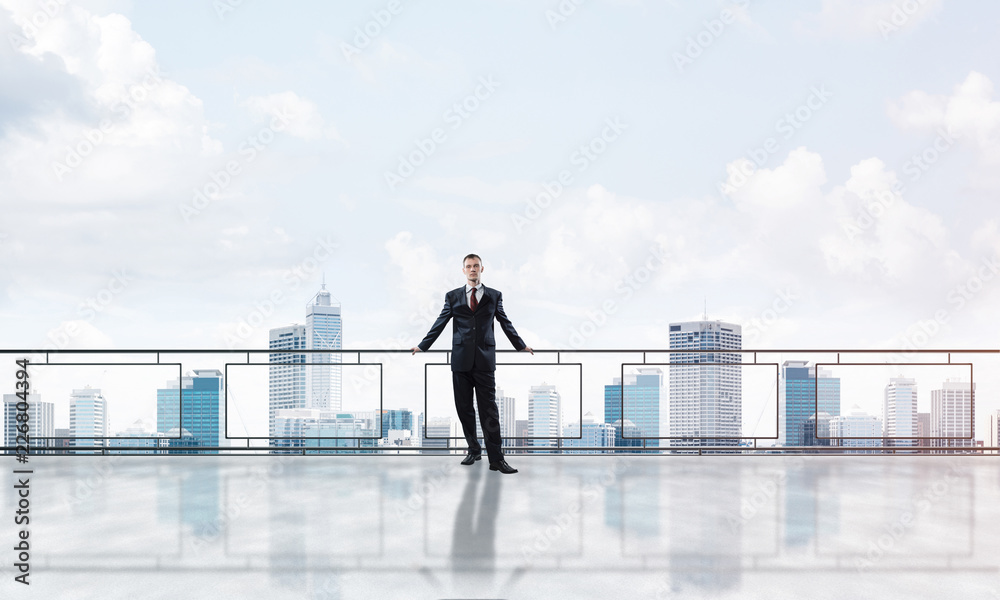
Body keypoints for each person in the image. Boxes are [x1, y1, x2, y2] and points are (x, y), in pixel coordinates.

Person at [412, 253, 532, 474]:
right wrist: (423, 346)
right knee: (464, 408)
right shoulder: (453, 296)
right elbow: (440, 322)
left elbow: (505, 322)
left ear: (482, 269)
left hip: (485, 361)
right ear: (464, 270)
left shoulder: (494, 296)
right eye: (469, 266)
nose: (472, 269)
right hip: (460, 360)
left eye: (476, 266)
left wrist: (520, 345)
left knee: (490, 412)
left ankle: (497, 459)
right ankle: (473, 449)